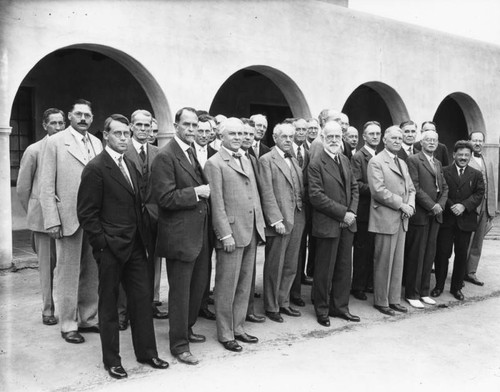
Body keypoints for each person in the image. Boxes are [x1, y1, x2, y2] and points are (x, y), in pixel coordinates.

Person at [77, 114, 169, 379]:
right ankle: (112, 360)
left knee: (141, 302)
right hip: (110, 249)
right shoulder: (96, 168)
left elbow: (138, 205)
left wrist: (144, 240)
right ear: (105, 135)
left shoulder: (128, 163)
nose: (123, 138)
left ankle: (147, 353)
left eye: (126, 134)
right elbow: (86, 214)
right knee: (109, 306)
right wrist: (102, 245)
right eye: (118, 134)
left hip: (137, 247)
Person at [151, 107, 210, 365]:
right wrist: (196, 193)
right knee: (180, 293)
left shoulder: (190, 152)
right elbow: (163, 198)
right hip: (179, 236)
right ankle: (178, 345)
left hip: (198, 234)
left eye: (194, 125)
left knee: (197, 289)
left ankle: (186, 329)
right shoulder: (166, 156)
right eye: (186, 125)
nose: (191, 130)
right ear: (175, 125)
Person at [40, 98, 101, 343]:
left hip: (94, 217)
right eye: (78, 114)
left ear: (92, 118)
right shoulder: (55, 142)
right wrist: (52, 220)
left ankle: (87, 318)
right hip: (67, 218)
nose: (83, 119)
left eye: (87, 115)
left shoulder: (97, 142)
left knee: (91, 270)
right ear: (70, 116)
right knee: (67, 272)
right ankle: (68, 324)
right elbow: (46, 185)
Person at [204, 117, 266, 352]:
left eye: (241, 134)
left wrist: (259, 226)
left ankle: (238, 327)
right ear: (221, 136)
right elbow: (217, 203)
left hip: (249, 230)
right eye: (233, 134)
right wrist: (224, 235)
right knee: (226, 285)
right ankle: (225, 332)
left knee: (243, 285)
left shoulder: (247, 159)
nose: (239, 138)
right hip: (231, 233)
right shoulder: (215, 163)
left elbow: (254, 196)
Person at [308, 120, 360, 327]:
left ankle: (340, 307)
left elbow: (354, 188)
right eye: (329, 136)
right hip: (328, 224)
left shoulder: (345, 160)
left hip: (348, 224)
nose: (334, 140)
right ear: (322, 138)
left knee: (343, 268)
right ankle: (322, 310)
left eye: (337, 137)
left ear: (342, 138)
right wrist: (343, 213)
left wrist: (352, 213)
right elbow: (316, 196)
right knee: (324, 270)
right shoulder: (316, 163)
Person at [17, 108, 65, 326]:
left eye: (61, 123)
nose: (58, 127)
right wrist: (35, 215)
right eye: (53, 123)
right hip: (43, 221)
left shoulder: (67, 147)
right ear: (44, 125)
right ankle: (48, 310)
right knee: (46, 268)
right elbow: (23, 189)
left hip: (67, 219)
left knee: (68, 266)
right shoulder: (34, 150)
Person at [259, 123, 306, 322]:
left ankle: (283, 301)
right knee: (274, 265)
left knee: (290, 264)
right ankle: (271, 306)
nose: (288, 140)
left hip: (297, 216)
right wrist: (275, 219)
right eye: (284, 136)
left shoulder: (294, 160)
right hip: (279, 219)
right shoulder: (266, 160)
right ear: (275, 138)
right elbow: (266, 191)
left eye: (291, 136)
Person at [367, 125, 416, 316]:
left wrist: (410, 205)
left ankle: (394, 299)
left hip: (402, 218)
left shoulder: (402, 162)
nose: (397, 141)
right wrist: (401, 205)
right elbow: (378, 191)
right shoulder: (376, 161)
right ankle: (381, 301)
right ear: (384, 141)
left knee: (397, 262)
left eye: (399, 138)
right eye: (393, 138)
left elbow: (411, 188)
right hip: (385, 218)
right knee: (383, 262)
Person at [124, 110, 168, 320]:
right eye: (139, 125)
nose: (143, 129)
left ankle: (148, 305)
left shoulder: (158, 153)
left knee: (151, 263)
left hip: (152, 217)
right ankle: (123, 311)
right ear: (131, 127)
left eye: (147, 126)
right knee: (126, 263)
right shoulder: (122, 150)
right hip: (127, 218)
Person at [433, 140, 484, 300]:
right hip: (447, 219)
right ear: (453, 155)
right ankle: (438, 286)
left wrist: (463, 206)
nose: (463, 157)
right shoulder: (444, 171)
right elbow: (440, 191)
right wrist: (452, 205)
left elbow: (479, 194)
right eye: (460, 154)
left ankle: (456, 288)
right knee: (442, 254)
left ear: (470, 157)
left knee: (461, 255)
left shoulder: (476, 174)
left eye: (466, 155)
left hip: (465, 220)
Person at [404, 130, 448, 308]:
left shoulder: (437, 162)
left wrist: (441, 205)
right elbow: (414, 186)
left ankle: (424, 291)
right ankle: (411, 293)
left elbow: (444, 187)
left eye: (434, 140)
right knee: (416, 255)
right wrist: (432, 205)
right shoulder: (414, 160)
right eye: (428, 140)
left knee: (429, 255)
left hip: (435, 216)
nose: (431, 143)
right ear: (421, 142)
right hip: (421, 215)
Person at [350, 121, 381, 301]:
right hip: (364, 210)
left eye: (377, 134)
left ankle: (369, 282)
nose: (375, 137)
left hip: (378, 210)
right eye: (371, 134)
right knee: (362, 250)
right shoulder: (359, 157)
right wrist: (378, 189)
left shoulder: (380, 155)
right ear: (364, 136)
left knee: (373, 249)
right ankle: (358, 286)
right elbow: (356, 184)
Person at [240, 120, 266, 324]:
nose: (248, 138)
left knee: (250, 271)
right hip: (237, 225)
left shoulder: (251, 158)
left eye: (251, 134)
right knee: (237, 275)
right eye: (244, 134)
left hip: (253, 222)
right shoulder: (231, 158)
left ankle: (248, 310)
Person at [465, 131, 496, 286]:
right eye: (474, 140)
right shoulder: (465, 159)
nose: (477, 143)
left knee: (478, 241)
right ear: (469, 141)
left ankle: (470, 272)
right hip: (471, 207)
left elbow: (492, 185)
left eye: (480, 141)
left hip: (484, 206)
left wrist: (492, 208)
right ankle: (460, 272)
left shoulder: (487, 160)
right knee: (465, 240)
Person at [194, 114, 217, 321]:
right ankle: (190, 306)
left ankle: (202, 303)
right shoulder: (186, 153)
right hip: (191, 216)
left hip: (211, 216)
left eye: (206, 131)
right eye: (199, 131)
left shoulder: (215, 154)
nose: (203, 135)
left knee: (206, 263)